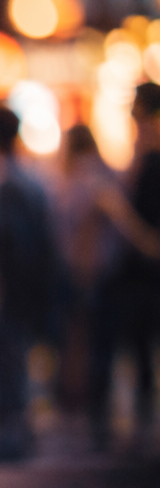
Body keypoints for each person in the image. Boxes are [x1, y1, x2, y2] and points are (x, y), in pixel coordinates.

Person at [0, 107, 64, 455]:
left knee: (11, 355)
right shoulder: (32, 179)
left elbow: (11, 241)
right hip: (33, 283)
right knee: (25, 354)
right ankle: (24, 422)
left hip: (14, 285)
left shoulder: (6, 183)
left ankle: (15, 428)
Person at [88, 84, 160, 448]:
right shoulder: (141, 163)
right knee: (136, 354)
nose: (136, 124)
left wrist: (118, 211)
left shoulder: (153, 167)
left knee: (139, 352)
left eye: (140, 116)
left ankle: (141, 432)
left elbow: (152, 243)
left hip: (145, 282)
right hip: (133, 279)